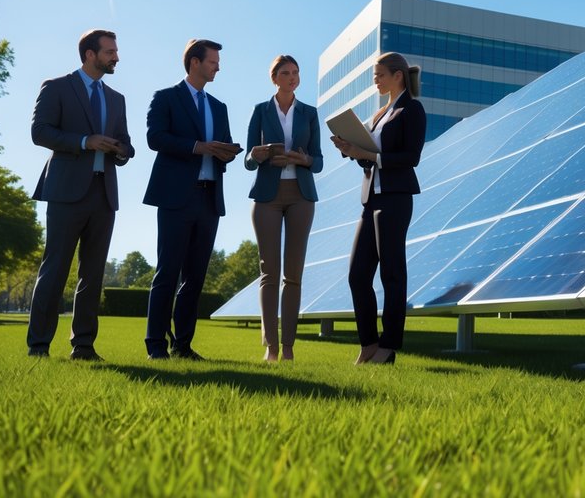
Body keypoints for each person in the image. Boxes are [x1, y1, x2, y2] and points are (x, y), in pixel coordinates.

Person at [26, 29, 134, 360]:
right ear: (90, 54)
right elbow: (39, 132)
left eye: (115, 51)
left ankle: (83, 346)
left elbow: (127, 143)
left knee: (93, 274)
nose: (116, 56)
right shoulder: (56, 87)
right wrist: (86, 142)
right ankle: (39, 346)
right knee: (55, 269)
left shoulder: (117, 99)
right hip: (65, 192)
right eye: (110, 51)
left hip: (104, 194)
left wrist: (120, 149)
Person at [143, 38, 240, 360]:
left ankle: (182, 345)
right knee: (167, 273)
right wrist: (198, 147)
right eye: (213, 61)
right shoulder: (166, 98)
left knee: (195, 277)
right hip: (175, 197)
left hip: (209, 198)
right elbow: (155, 138)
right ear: (195, 62)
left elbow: (222, 145)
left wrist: (227, 152)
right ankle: (155, 345)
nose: (218, 67)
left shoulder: (219, 107)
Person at [331, 52, 426, 365]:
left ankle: (388, 346)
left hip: (396, 198)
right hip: (370, 199)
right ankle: (369, 343)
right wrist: (351, 150)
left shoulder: (412, 109)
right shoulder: (378, 114)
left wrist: (367, 154)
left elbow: (410, 157)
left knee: (392, 274)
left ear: (397, 75)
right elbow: (368, 158)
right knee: (358, 275)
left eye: (380, 75)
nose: (376, 80)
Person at [244, 55, 323, 362]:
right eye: (286, 73)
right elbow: (248, 161)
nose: (293, 77)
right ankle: (271, 347)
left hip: (301, 195)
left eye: (296, 72)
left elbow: (318, 161)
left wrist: (302, 160)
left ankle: (288, 347)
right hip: (267, 196)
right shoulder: (260, 111)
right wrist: (259, 154)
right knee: (269, 273)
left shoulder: (310, 113)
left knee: (294, 274)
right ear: (274, 78)